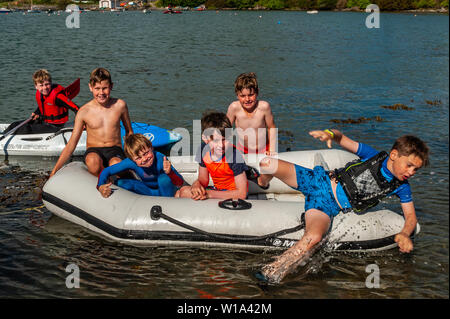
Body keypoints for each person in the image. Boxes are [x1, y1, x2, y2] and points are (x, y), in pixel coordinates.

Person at [256, 129, 429, 284]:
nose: (411, 173)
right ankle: (262, 182)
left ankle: (270, 272)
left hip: (326, 204)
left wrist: (405, 234)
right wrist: (330, 135)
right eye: (409, 165)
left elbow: (411, 217)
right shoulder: (373, 156)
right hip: (318, 180)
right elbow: (342, 139)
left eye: (416, 170)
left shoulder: (401, 187)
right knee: (266, 164)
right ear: (394, 154)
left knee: (313, 237)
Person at [49, 67, 133, 177]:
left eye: (105, 88)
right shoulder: (84, 111)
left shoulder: (120, 105)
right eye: (97, 88)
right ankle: (103, 181)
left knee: (116, 164)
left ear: (111, 86)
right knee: (93, 163)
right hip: (94, 150)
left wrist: (133, 157)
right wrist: (54, 171)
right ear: (90, 87)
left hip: (115, 149)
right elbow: (71, 144)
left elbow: (129, 133)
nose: (101, 93)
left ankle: (123, 180)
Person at [176, 111, 249, 200]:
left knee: (184, 192)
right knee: (179, 193)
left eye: (224, 140)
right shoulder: (203, 149)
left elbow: (242, 193)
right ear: (205, 139)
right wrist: (196, 184)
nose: (221, 145)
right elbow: (203, 180)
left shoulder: (234, 156)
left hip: (232, 196)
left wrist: (208, 194)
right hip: (218, 190)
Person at [97, 133, 184, 198]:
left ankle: (167, 205)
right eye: (138, 158)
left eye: (146, 153)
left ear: (151, 147)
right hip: (149, 191)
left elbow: (180, 183)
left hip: (166, 192)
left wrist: (170, 173)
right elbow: (107, 171)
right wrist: (100, 186)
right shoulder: (130, 162)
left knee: (163, 179)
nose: (144, 159)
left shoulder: (160, 159)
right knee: (120, 182)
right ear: (132, 160)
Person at [4, 69, 80, 135]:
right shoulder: (40, 95)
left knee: (25, 128)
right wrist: (36, 112)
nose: (44, 88)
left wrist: (79, 125)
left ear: (51, 83)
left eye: (47, 84)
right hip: (45, 122)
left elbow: (76, 109)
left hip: (56, 126)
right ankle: (3, 135)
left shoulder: (58, 97)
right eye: (41, 85)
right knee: (14, 124)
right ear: (36, 86)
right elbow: (44, 106)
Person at [226, 72, 277, 155]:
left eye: (251, 95)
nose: (247, 99)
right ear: (237, 95)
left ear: (257, 93)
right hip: (243, 149)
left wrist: (272, 150)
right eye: (242, 96)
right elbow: (226, 129)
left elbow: (271, 127)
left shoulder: (264, 107)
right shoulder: (234, 108)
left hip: (264, 149)